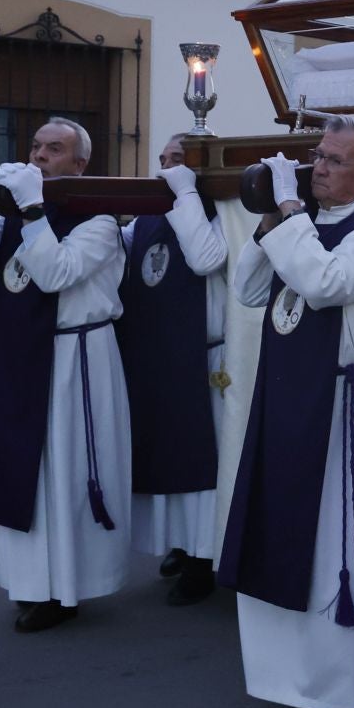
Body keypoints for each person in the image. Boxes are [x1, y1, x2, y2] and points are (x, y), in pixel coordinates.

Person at [221, 114, 354, 708]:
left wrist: (289, 210)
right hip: (292, 399)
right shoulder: (302, 224)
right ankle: (289, 675)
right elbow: (248, 290)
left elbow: (325, 284)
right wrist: (274, 221)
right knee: (285, 531)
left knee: (343, 543)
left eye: (333, 159)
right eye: (317, 156)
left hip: (351, 404)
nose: (318, 167)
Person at [0, 117, 132, 632]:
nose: (39, 156)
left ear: (79, 164)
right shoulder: (17, 213)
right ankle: (29, 581)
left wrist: (30, 210)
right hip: (21, 355)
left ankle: (67, 586)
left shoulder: (97, 219)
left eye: (54, 150)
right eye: (35, 146)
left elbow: (55, 274)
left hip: (78, 359)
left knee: (65, 472)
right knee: (23, 472)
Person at [115, 152, 226, 607]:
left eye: (178, 160)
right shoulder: (144, 219)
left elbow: (205, 260)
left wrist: (186, 195)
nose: (166, 166)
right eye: (162, 158)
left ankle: (205, 559)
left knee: (204, 462)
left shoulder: (220, 214)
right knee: (167, 455)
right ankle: (181, 544)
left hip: (207, 357)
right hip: (158, 356)